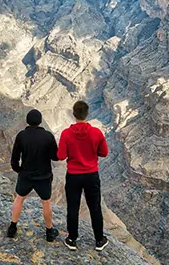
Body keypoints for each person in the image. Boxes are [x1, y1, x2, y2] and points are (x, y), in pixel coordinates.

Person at [57, 101, 109, 251]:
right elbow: (104, 153)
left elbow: (61, 156)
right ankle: (99, 240)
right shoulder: (97, 133)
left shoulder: (66, 133)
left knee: (73, 208)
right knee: (95, 207)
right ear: (87, 114)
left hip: (73, 176)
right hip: (91, 175)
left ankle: (72, 239)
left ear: (73, 114)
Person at [7, 109, 59, 242]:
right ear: (40, 121)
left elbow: (14, 158)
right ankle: (49, 232)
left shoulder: (21, 135)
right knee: (46, 202)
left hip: (26, 175)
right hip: (44, 176)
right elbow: (55, 157)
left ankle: (12, 228)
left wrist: (19, 170)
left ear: (27, 121)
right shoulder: (48, 136)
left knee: (19, 199)